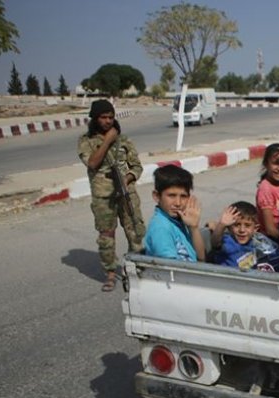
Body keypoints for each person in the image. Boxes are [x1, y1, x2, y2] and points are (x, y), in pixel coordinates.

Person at [77, 99, 145, 292]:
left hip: (126, 193)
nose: (108, 121)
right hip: (103, 196)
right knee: (106, 236)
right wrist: (107, 140)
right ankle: (110, 273)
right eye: (103, 117)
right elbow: (92, 163)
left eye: (111, 117)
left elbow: (137, 167)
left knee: (135, 231)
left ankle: (135, 269)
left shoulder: (124, 140)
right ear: (94, 118)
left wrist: (127, 179)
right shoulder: (86, 141)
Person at [144, 164, 206, 262]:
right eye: (172, 196)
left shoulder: (178, 221)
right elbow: (170, 268)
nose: (178, 203)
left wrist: (194, 227)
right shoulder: (161, 228)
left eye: (183, 196)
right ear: (157, 196)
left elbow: (201, 258)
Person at [210, 201, 279, 272]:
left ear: (255, 228)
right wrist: (222, 224)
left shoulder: (257, 243)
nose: (242, 230)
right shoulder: (228, 242)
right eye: (237, 225)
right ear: (229, 228)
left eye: (247, 225)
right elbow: (215, 242)